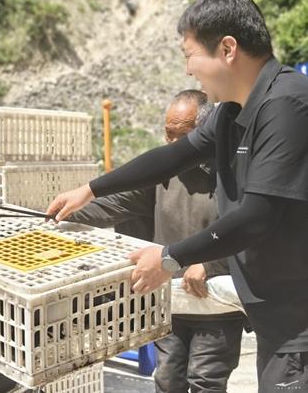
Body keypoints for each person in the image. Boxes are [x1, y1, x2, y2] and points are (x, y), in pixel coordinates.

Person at [47, 0, 308, 392]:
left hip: (299, 324)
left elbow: (257, 218)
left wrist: (169, 258)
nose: (188, 71)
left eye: (189, 55)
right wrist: (91, 189)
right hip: (276, 319)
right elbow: (171, 158)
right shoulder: (230, 113)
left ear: (227, 49)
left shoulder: (288, 105)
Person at [69, 90, 245, 393]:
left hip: (217, 303)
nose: (174, 145)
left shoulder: (233, 174)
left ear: (205, 134)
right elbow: (110, 206)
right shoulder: (161, 174)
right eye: (169, 135)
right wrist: (62, 212)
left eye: (183, 136)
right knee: (167, 380)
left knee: (206, 381)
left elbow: (251, 229)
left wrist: (211, 263)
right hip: (170, 301)